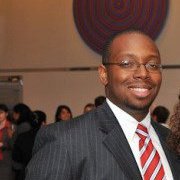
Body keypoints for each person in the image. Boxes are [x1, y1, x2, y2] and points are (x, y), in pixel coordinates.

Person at [25, 30, 179, 180]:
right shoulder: (64, 141)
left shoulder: (171, 141)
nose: (143, 73)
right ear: (104, 74)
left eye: (152, 65)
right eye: (127, 63)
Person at [12, 110, 47, 180]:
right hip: (44, 173)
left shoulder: (22, 137)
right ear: (43, 123)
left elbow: (16, 158)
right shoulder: (47, 137)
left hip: (25, 173)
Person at [0, 104, 14, 180]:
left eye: (1, 112)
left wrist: (3, 144)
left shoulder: (11, 126)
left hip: (6, 159)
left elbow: (13, 143)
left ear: (6, 113)